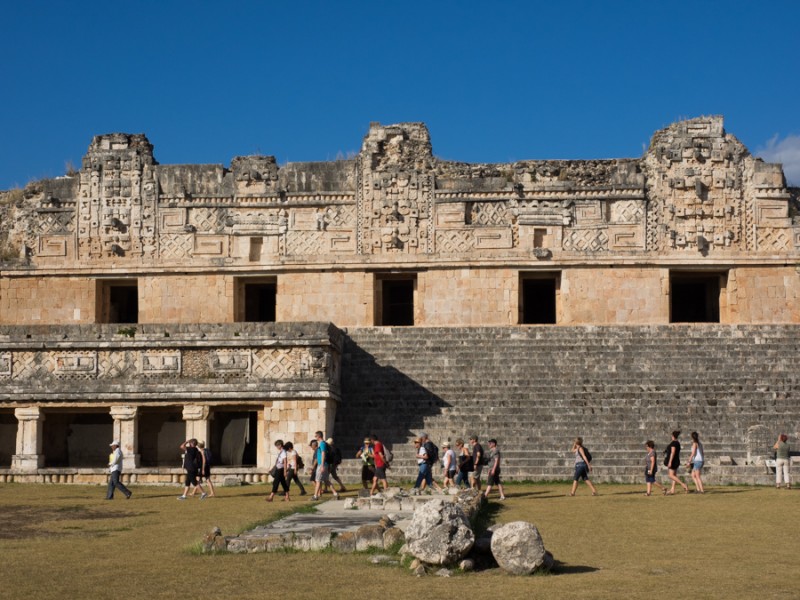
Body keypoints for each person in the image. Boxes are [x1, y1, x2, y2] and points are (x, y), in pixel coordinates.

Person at [312, 431, 337, 501]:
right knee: (326, 480)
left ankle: (315, 496)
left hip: (322, 465)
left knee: (318, 480)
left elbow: (323, 454)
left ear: (319, 436)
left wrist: (322, 465)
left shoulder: (322, 444)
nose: (315, 437)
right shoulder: (323, 443)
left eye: (316, 436)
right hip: (324, 464)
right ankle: (335, 493)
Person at [664, 430, 689, 495]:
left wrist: (670, 461)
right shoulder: (677, 443)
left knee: (671, 475)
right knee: (674, 475)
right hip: (676, 460)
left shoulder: (673, 443)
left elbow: (673, 452)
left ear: (673, 436)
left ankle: (683, 484)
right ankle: (672, 489)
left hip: (673, 461)